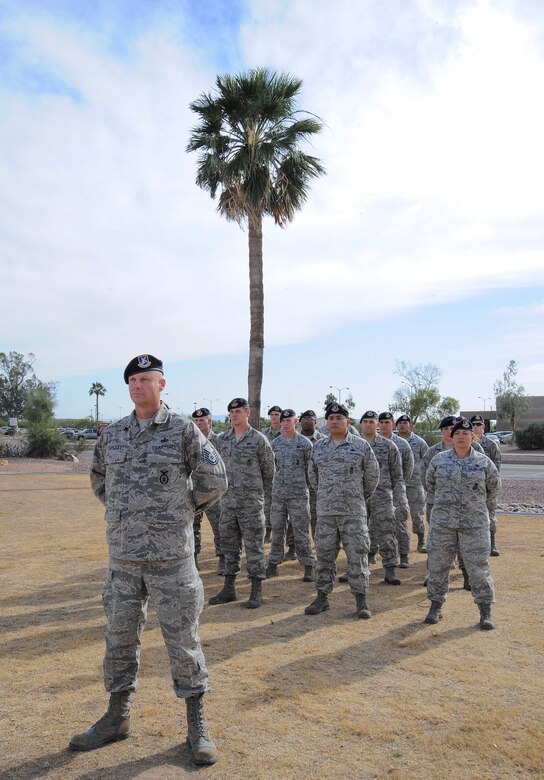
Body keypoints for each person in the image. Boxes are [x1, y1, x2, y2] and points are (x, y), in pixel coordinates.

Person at [69, 354, 227, 766]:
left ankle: (196, 726)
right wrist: (122, 513)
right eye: (133, 380)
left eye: (146, 379)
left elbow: (215, 479)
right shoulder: (115, 434)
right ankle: (117, 717)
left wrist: (180, 509)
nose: (138, 385)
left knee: (183, 642)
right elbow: (99, 478)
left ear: (162, 384)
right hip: (123, 558)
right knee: (119, 638)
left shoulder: (183, 430)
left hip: (171, 559)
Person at [424, 418, 500, 630]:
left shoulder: (484, 462)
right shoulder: (438, 460)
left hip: (473, 524)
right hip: (443, 523)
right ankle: (435, 607)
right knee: (438, 566)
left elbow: (493, 488)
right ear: (452, 436)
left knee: (478, 569)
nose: (460, 436)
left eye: (465, 433)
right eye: (457, 433)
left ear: (472, 436)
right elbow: (429, 484)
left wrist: (473, 507)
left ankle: (485, 611)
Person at [305, 402, 379, 619]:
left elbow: (372, 477)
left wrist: (357, 497)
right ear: (326, 422)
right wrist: (327, 496)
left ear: (348, 422)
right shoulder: (318, 447)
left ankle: (361, 600)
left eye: (339, 418)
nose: (334, 421)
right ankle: (322, 598)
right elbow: (312, 477)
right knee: (325, 556)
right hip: (326, 512)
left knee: (358, 557)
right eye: (331, 418)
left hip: (353, 512)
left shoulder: (361, 446)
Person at [208, 398, 275, 609]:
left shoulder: (258, 440)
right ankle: (229, 588)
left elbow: (269, 472)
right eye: (231, 412)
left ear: (247, 413)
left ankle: (256, 590)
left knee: (254, 547)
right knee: (229, 547)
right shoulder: (221, 439)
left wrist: (255, 494)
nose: (234, 414)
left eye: (238, 411)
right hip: (227, 504)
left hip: (251, 505)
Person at [421, 415, 485, 590]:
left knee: (466, 543)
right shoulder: (433, 452)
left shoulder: (476, 449)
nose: (451, 432)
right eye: (447, 429)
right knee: (438, 542)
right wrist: (438, 497)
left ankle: (466, 575)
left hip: (469, 508)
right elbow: (426, 479)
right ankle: (435, 574)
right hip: (439, 505)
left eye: (454, 429)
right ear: (442, 431)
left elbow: (487, 481)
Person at [266, 409, 315, 581]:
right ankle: (273, 564)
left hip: (299, 495)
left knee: (301, 531)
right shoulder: (275, 444)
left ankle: (308, 565)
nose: (285, 424)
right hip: (278, 494)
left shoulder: (305, 444)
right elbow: (272, 469)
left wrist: (309, 490)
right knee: (277, 529)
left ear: (295, 422)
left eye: (289, 421)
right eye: (283, 421)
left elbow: (311, 471)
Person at [360, 410, 404, 585]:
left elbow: (398, 474)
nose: (369, 424)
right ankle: (356, 569)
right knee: (357, 534)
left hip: (382, 495)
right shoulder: (353, 444)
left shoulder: (388, 446)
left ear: (377, 424)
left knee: (387, 532)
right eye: (366, 421)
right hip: (358, 496)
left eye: (372, 421)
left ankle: (390, 569)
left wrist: (392, 494)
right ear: (361, 424)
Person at [377, 412, 414, 568]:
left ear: (393, 424)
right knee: (373, 524)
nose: (384, 425)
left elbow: (408, 467)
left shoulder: (402, 444)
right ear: (378, 424)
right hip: (376, 490)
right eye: (382, 422)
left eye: (387, 422)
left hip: (396, 489)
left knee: (399, 522)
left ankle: (404, 555)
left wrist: (399, 484)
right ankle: (372, 553)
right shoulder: (370, 442)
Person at [192, 407, 225, 574]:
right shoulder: (191, 440)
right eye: (196, 421)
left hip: (213, 492)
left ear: (209, 421)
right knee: (193, 527)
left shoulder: (218, 441)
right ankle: (194, 559)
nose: (199, 423)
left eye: (202, 420)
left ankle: (223, 558)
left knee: (219, 526)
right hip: (194, 492)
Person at [396, 414, 429, 553]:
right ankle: (400, 543)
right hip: (397, 484)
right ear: (396, 425)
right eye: (400, 423)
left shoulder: (419, 442)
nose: (403, 425)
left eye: (405, 423)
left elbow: (427, 461)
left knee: (417, 513)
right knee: (398, 514)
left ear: (411, 425)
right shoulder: (393, 441)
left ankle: (421, 541)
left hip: (415, 484)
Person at [470, 414, 502, 556]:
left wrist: (490, 487)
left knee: (490, 516)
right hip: (470, 488)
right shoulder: (466, 442)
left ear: (483, 426)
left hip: (487, 487)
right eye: (474, 424)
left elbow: (496, 467)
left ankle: (492, 544)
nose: (476, 427)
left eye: (479, 424)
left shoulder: (491, 444)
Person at [299, 409, 325, 538]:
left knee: (317, 517)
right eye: (304, 419)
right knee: (298, 519)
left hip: (317, 487)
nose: (307, 422)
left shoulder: (324, 441)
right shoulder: (294, 438)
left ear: (316, 423)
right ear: (299, 422)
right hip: (298, 487)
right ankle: (293, 547)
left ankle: (318, 545)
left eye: (310, 419)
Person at [262, 405, 282, 543]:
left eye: (276, 414)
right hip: (268, 476)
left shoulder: (286, 432)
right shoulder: (263, 434)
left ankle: (280, 533)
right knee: (267, 505)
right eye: (272, 414)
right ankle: (267, 531)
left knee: (281, 507)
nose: (274, 417)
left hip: (283, 476)